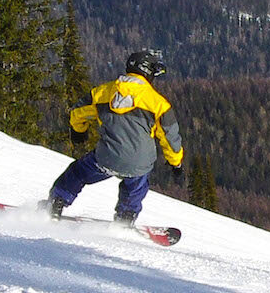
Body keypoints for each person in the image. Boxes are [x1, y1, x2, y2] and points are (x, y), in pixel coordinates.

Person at [48, 49, 184, 226]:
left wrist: (78, 131)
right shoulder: (158, 103)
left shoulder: (102, 93)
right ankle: (126, 217)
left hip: (106, 158)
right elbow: (169, 138)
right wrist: (176, 164)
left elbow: (78, 112)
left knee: (77, 173)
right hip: (139, 163)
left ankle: (56, 204)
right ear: (148, 72)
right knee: (136, 184)